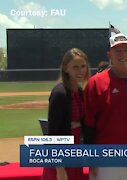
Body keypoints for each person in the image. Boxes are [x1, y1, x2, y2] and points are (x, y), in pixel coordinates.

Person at [83, 33, 127, 180]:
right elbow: (88, 124)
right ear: (109, 54)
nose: (122, 54)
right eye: (117, 51)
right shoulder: (96, 82)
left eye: (126, 50)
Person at [41, 48, 90, 180]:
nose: (80, 71)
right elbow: (52, 134)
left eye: (83, 66)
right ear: (65, 68)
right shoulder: (59, 93)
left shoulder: (79, 92)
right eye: (75, 67)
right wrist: (60, 169)